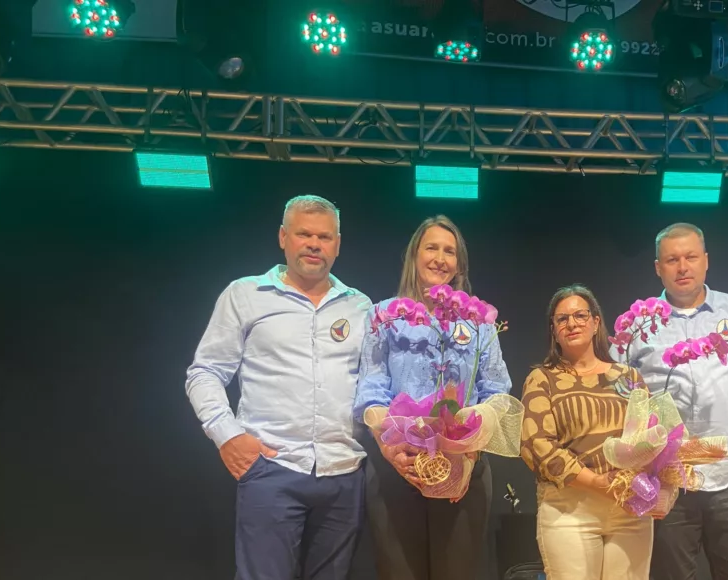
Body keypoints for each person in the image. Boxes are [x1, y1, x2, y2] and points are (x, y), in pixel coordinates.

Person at [184, 195, 371, 580]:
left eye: (324, 237)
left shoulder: (361, 306)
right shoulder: (245, 294)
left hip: (344, 472)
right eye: (304, 234)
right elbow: (205, 372)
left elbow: (373, 387)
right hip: (272, 468)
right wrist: (227, 435)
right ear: (283, 237)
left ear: (337, 244)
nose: (314, 244)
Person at [615, 222, 728, 580]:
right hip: (667, 480)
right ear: (658, 268)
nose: (683, 267)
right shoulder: (636, 325)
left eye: (691, 257)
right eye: (672, 260)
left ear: (706, 261)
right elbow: (616, 396)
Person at [354, 215, 511, 580]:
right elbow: (371, 388)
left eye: (449, 251)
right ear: (414, 255)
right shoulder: (383, 316)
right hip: (398, 465)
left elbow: (496, 391)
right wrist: (390, 449)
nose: (440, 258)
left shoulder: (478, 322)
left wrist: (468, 454)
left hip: (463, 469)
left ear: (459, 264)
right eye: (431, 248)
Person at [520, 284, 654, 580]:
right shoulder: (541, 378)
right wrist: (596, 482)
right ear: (554, 331)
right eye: (562, 319)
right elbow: (536, 446)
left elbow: (651, 435)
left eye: (580, 315)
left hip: (628, 507)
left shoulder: (628, 377)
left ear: (595, 322)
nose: (572, 323)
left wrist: (656, 482)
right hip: (569, 510)